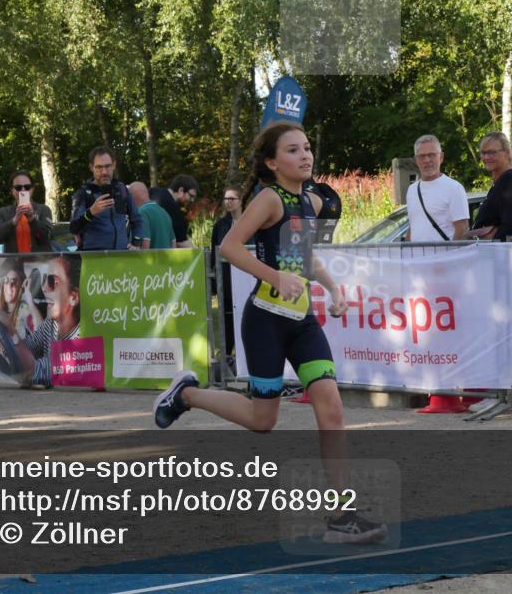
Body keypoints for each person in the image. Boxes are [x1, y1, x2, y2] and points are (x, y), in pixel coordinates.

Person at [152, 121, 386, 544]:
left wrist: (332, 289)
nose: (305, 155)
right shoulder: (267, 199)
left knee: (330, 406)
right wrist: (275, 277)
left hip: (302, 322)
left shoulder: (309, 203)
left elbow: (305, 259)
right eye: (294, 150)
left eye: (307, 148)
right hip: (264, 320)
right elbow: (229, 247)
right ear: (272, 162)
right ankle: (186, 393)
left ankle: (341, 516)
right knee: (264, 420)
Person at [0, 255, 81, 388]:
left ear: (73, 297)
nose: (44, 287)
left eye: (52, 281)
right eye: (44, 280)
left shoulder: (79, 340)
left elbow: (35, 372)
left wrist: (9, 326)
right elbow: (27, 347)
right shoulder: (51, 325)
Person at [69, 147, 145, 251]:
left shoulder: (121, 189)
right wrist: (91, 212)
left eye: (108, 166)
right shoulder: (83, 193)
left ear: (114, 165)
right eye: (99, 167)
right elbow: (73, 228)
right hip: (93, 257)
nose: (104, 172)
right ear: (91, 167)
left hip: (120, 256)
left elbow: (137, 220)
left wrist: (136, 242)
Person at [405, 135, 469, 242]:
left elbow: (462, 229)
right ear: (416, 160)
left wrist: (451, 255)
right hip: (416, 258)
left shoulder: (454, 188)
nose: (427, 160)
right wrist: (406, 254)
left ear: (441, 157)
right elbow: (414, 227)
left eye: (432, 155)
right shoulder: (412, 190)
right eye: (422, 156)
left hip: (444, 257)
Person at [468, 132, 512, 241]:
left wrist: (493, 238)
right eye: (483, 153)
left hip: (501, 254)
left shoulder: (511, 181)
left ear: (506, 153)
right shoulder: (502, 180)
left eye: (491, 152)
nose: (486, 157)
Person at [210, 187, 243, 360]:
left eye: (232, 199)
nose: (228, 202)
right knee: (227, 315)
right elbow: (214, 252)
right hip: (226, 277)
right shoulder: (220, 225)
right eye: (226, 199)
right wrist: (213, 280)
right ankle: (227, 354)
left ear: (240, 201)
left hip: (246, 275)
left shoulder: (251, 222)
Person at [0, 170, 54, 253]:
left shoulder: (43, 210)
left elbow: (48, 238)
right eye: (18, 187)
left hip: (39, 263)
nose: (23, 190)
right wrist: (13, 221)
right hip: (15, 263)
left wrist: (32, 219)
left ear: (32, 189)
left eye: (27, 187)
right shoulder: (3, 212)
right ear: (12, 191)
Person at [150, 175, 199, 248]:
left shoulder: (152, 192)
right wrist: (198, 254)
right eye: (191, 196)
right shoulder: (174, 210)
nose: (192, 200)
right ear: (181, 190)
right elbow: (181, 241)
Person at [128, 181, 176, 250]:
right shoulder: (164, 212)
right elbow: (173, 243)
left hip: (151, 260)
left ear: (132, 196)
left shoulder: (141, 213)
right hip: (166, 260)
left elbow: (145, 246)